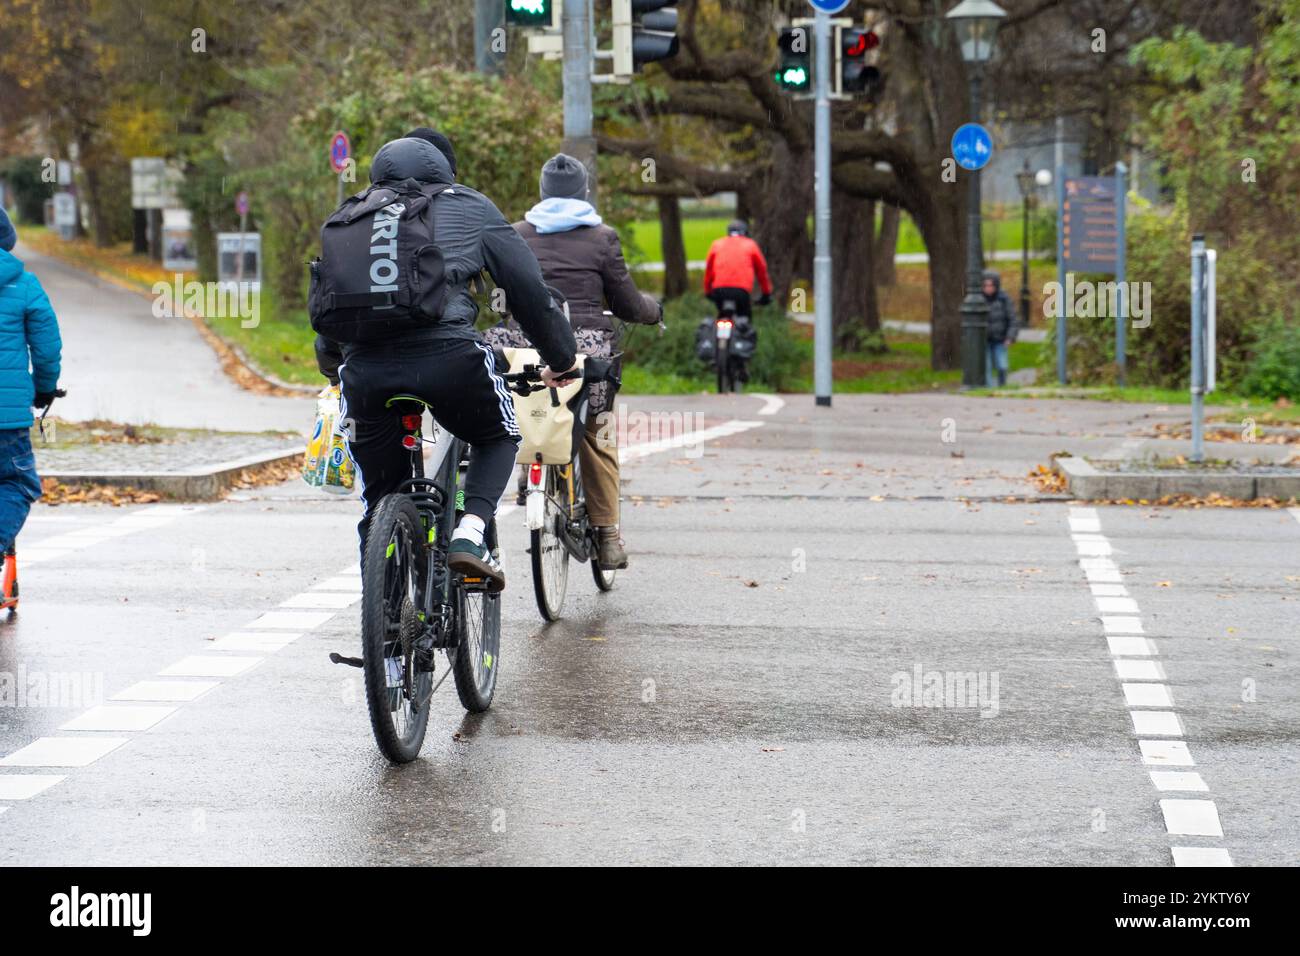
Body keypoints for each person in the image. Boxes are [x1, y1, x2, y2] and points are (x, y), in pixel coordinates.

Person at [314, 137, 577, 592]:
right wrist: (561, 358)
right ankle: (471, 533)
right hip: (449, 359)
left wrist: (336, 366)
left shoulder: (353, 214)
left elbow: (332, 309)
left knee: (379, 502)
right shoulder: (471, 206)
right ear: (444, 171)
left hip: (365, 371)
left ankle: (388, 646)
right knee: (499, 434)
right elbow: (529, 293)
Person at [483, 153, 660, 570]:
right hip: (587, 352)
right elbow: (628, 303)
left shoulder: (515, 234)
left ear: (542, 192)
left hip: (524, 345)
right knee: (597, 434)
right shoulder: (603, 239)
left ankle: (529, 476)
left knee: (521, 410)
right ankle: (607, 535)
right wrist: (655, 311)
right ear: (583, 191)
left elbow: (501, 297)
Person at [0, 205, 62, 608]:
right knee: (18, 482)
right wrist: (44, 390)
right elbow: (46, 348)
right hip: (5, 420)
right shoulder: (24, 284)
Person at [702, 219, 773, 320]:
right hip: (741, 291)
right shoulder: (750, 244)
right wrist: (766, 293)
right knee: (744, 321)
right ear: (745, 232)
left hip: (719, 290)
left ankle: (718, 333)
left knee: (721, 316)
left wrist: (708, 291)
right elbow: (761, 271)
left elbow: (709, 270)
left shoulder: (717, 244)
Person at [982, 270, 1017, 387]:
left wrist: (1010, 337)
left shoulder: (1004, 299)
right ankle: (989, 388)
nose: (988, 288)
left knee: (1002, 365)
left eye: (991, 285)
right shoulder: (979, 300)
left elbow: (1012, 319)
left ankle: (1002, 386)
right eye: (985, 285)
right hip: (984, 340)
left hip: (1000, 339)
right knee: (986, 366)